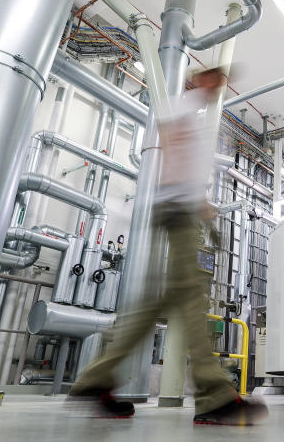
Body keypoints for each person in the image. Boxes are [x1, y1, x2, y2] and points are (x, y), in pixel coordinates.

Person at [69, 68, 268, 426]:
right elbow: (173, 153)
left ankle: (96, 378)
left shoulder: (199, 114)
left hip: (182, 209)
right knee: (190, 302)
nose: (220, 86)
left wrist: (205, 212)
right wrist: (191, 205)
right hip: (177, 211)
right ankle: (213, 396)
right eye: (217, 79)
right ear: (203, 80)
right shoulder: (185, 107)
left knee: (161, 303)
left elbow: (188, 168)